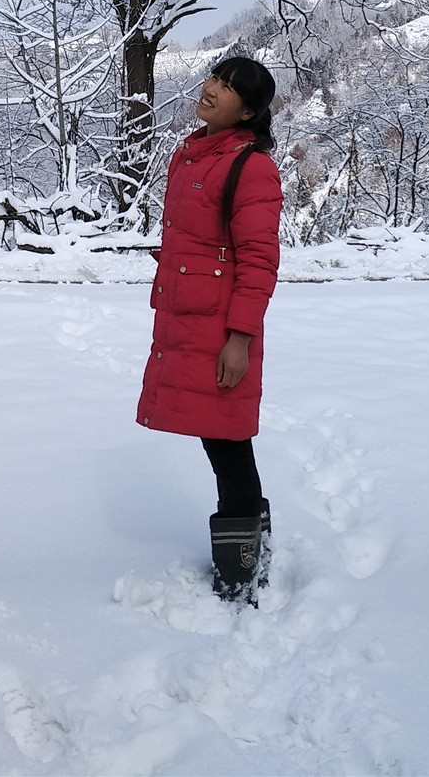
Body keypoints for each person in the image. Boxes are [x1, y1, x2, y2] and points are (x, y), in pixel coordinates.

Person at [136, 56, 282, 602]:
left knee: (228, 442)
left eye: (229, 88)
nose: (212, 89)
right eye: (215, 78)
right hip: (189, 320)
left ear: (248, 111)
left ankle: (242, 567)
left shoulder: (251, 166)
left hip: (220, 329)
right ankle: (248, 553)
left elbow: (259, 258)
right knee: (219, 438)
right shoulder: (195, 154)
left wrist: (240, 340)